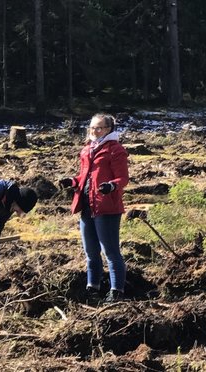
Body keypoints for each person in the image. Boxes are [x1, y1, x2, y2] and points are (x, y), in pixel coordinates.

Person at [59, 113, 130, 303]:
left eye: (99, 128)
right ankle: (92, 288)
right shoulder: (86, 150)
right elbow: (84, 177)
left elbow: (123, 178)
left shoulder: (115, 150)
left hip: (106, 206)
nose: (94, 131)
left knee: (111, 252)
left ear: (109, 130)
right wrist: (73, 181)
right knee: (90, 252)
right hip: (86, 205)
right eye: (92, 127)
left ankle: (117, 292)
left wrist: (111, 186)